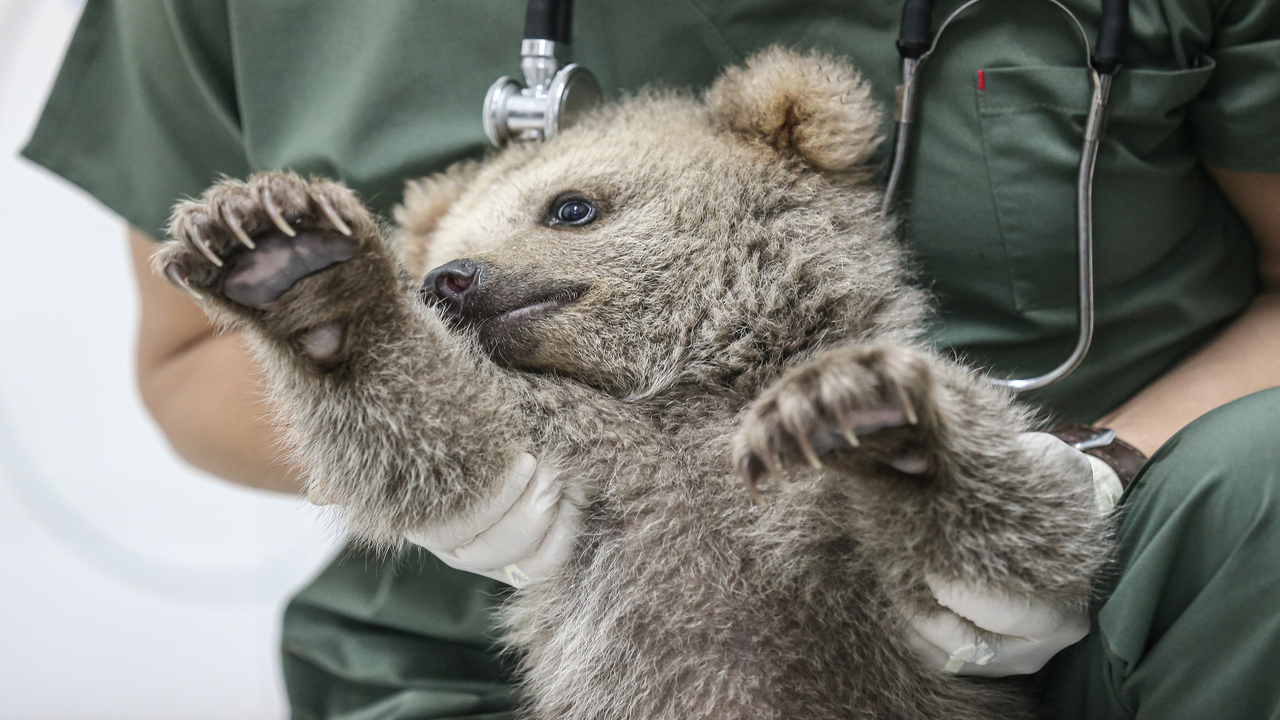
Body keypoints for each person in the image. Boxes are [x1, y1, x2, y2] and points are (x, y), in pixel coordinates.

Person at [22, 1, 1280, 718]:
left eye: (570, 217)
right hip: (492, 669)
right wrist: (480, 455)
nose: (462, 276)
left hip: (1106, 628)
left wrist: (1074, 478)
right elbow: (189, 360)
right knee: (387, 388)